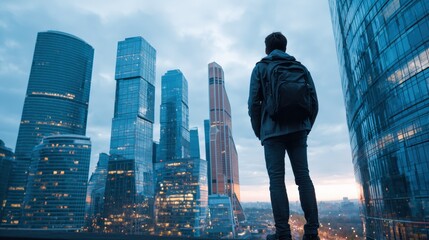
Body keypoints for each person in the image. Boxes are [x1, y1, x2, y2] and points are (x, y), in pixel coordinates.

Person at [248, 32, 320, 240]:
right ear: (285, 47)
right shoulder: (301, 68)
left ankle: (283, 233)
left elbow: (254, 104)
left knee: (277, 181)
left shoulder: (260, 67)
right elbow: (314, 101)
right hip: (299, 129)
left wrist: (260, 131)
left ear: (266, 49)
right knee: (303, 178)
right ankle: (312, 231)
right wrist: (305, 126)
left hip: (272, 133)